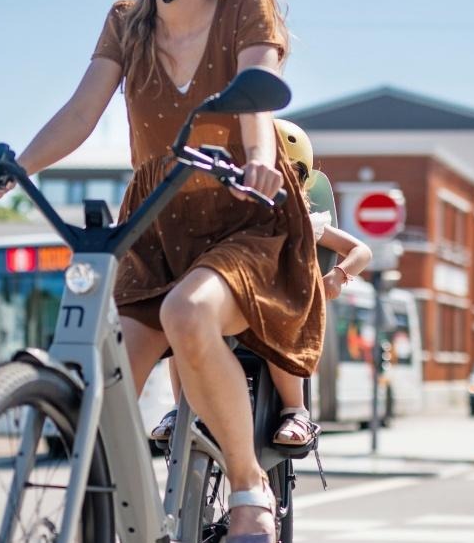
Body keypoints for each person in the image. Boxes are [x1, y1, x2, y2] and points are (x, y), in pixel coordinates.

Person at [0, 0, 324, 543]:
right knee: (101, 383)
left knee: (188, 313)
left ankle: (245, 482)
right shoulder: (124, 21)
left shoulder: (244, 3)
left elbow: (257, 93)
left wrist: (259, 156)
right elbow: (81, 108)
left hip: (245, 212)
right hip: (155, 222)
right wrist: (16, 166)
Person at [151, 119, 372, 449]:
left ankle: (295, 411)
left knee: (274, 313)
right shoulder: (225, 218)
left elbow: (360, 250)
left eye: (282, 175)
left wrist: (336, 277)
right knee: (179, 311)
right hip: (232, 302)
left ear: (298, 182)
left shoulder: (307, 222)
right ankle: (181, 407)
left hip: (273, 305)